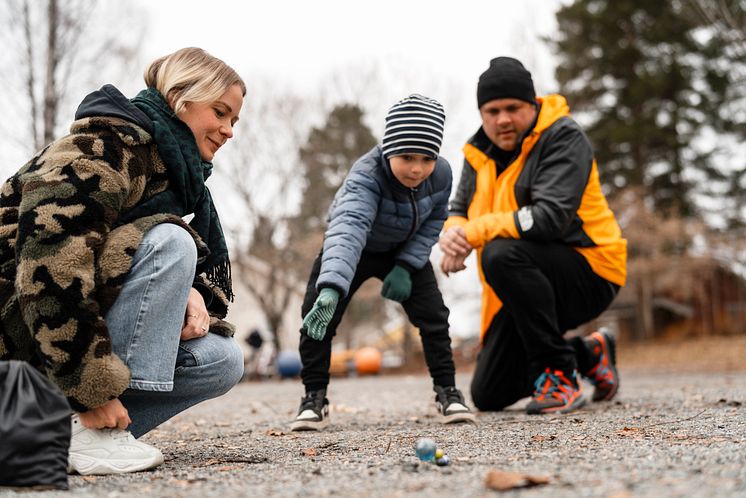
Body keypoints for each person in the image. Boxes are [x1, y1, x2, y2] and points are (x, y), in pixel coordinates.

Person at [0, 47, 246, 474]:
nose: (228, 131)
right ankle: (93, 430)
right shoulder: (104, 147)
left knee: (220, 360)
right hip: (15, 317)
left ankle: (44, 436)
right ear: (180, 98)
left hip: (42, 346)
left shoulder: (171, 173)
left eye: (234, 121)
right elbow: (49, 264)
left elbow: (115, 249)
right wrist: (90, 391)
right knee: (170, 242)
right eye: (220, 112)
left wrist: (184, 289)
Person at [439, 57, 627, 415]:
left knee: (499, 253)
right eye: (492, 110)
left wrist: (473, 234)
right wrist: (453, 237)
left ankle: (559, 374)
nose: (503, 119)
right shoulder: (478, 154)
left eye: (513, 108)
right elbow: (458, 209)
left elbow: (548, 219)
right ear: (482, 114)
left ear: (533, 103)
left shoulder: (563, 138)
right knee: (489, 393)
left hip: (591, 270)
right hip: (523, 282)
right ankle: (590, 353)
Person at [291, 94, 474, 431]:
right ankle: (313, 397)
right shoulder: (366, 176)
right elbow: (348, 229)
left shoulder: (442, 174)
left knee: (434, 318)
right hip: (355, 248)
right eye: (407, 157)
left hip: (404, 250)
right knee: (317, 315)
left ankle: (447, 391)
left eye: (426, 158)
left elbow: (435, 220)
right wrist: (331, 288)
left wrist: (406, 265)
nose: (417, 168)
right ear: (389, 150)